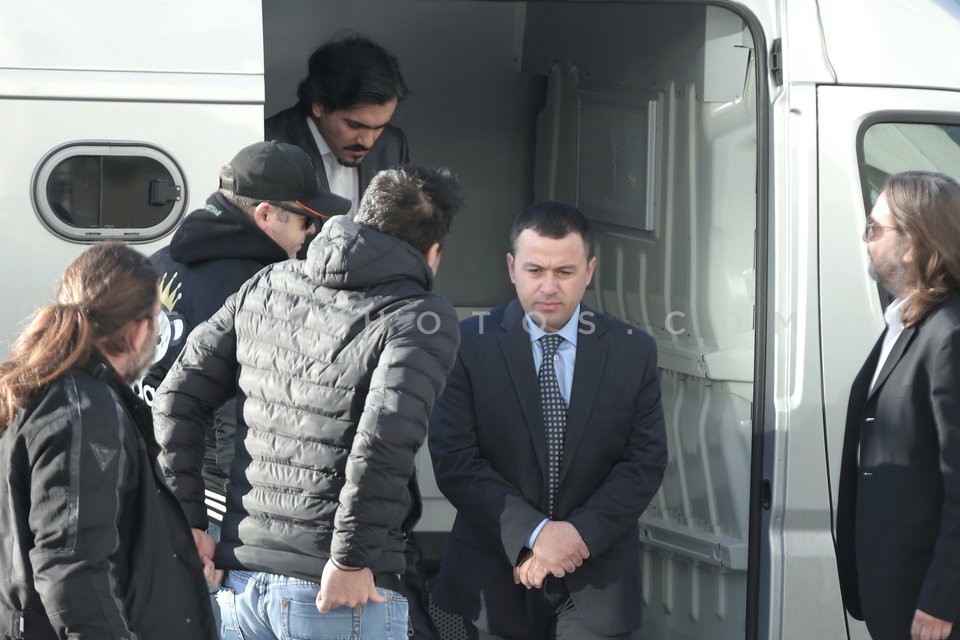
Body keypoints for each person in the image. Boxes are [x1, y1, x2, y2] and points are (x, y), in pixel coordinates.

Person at [152, 164, 463, 640]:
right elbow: (383, 445)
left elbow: (175, 397)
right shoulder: (418, 315)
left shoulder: (268, 283)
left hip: (243, 586)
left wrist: (189, 524)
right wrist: (351, 557)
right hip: (335, 591)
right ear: (433, 252)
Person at [428, 201, 668, 639]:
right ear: (511, 267)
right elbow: (455, 461)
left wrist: (573, 537)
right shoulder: (467, 346)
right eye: (535, 270)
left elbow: (644, 463)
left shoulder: (633, 350)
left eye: (565, 272)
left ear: (590, 270)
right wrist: (534, 534)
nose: (548, 287)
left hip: (597, 580)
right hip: (493, 578)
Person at [0, 244, 217, 639]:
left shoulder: (38, 386)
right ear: (137, 332)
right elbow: (71, 569)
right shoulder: (83, 412)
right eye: (156, 321)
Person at [140, 140, 350, 532]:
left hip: (143, 484)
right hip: (209, 505)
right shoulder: (258, 289)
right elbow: (238, 414)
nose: (313, 231)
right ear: (266, 214)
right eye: (306, 219)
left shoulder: (158, 262)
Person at [836, 171, 960, 640]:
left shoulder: (948, 335)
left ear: (910, 243)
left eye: (874, 228)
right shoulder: (903, 324)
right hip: (893, 593)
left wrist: (942, 599)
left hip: (928, 607)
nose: (865, 239)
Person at [265, 33, 410, 231]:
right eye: (355, 125)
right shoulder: (269, 147)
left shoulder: (393, 145)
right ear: (319, 106)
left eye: (379, 127)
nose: (368, 141)